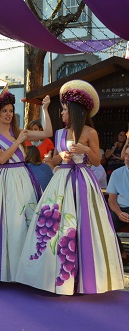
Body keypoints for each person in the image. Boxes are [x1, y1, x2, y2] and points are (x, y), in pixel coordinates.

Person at [16, 80, 124, 295]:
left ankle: (85, 278)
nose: (62, 113)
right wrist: (60, 156)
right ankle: (52, 275)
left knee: (84, 225)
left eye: (65, 110)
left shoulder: (90, 133)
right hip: (61, 180)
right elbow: (53, 161)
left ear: (73, 111)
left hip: (83, 181)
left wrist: (85, 149)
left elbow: (96, 162)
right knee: (58, 226)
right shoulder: (59, 134)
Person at [0, 89, 51, 282]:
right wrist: (18, 142)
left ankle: (26, 269)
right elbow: (2, 158)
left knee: (26, 223)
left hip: (23, 179)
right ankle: (5, 271)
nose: (8, 114)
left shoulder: (19, 132)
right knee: (7, 224)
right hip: (4, 182)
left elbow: (47, 133)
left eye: (11, 111)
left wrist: (45, 109)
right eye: (4, 111)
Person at [106, 146, 129, 266]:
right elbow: (112, 200)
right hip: (122, 208)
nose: (127, 158)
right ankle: (123, 254)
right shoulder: (117, 173)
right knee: (106, 224)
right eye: (126, 155)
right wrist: (119, 213)